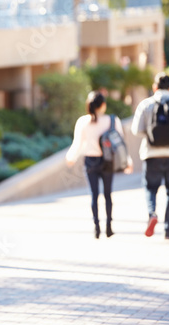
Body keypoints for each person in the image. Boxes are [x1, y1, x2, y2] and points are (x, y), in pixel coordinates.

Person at [66, 91, 133, 238]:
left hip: (90, 161)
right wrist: (128, 161)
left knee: (94, 195)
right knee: (108, 195)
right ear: (103, 105)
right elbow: (121, 144)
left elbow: (77, 144)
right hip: (107, 161)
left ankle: (97, 228)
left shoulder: (82, 121)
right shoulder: (112, 120)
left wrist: (70, 157)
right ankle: (109, 227)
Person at [131, 72, 169, 239]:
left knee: (150, 188)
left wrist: (151, 136)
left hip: (150, 154)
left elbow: (136, 130)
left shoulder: (145, 105)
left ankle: (152, 214)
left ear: (154, 87)